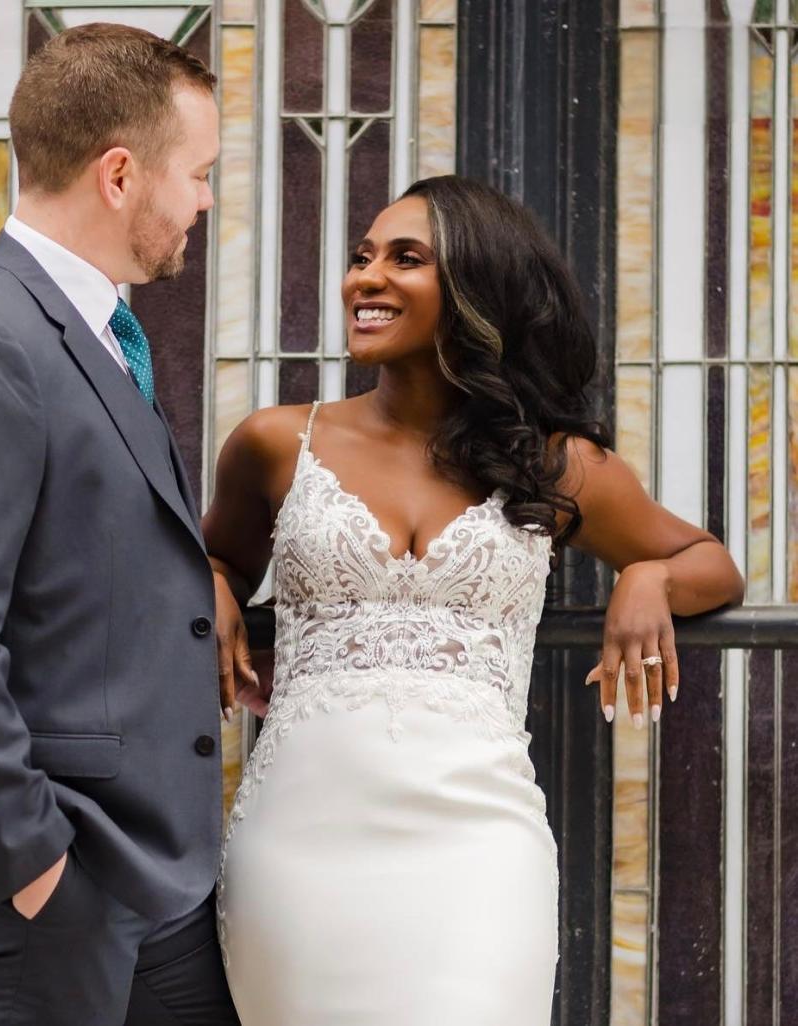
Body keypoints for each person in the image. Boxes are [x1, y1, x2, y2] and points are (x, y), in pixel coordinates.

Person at [207, 175, 744, 1024]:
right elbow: (213, 559)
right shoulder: (277, 441)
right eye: (361, 258)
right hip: (298, 846)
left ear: (472, 291)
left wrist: (648, 576)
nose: (365, 278)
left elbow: (709, 562)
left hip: (477, 850)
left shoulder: (554, 464)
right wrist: (211, 587)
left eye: (404, 259)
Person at [0, 24, 238, 1026]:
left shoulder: (89, 329)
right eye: (197, 173)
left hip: (151, 888)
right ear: (120, 174)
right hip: (47, 899)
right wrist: (35, 866)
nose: (205, 198)